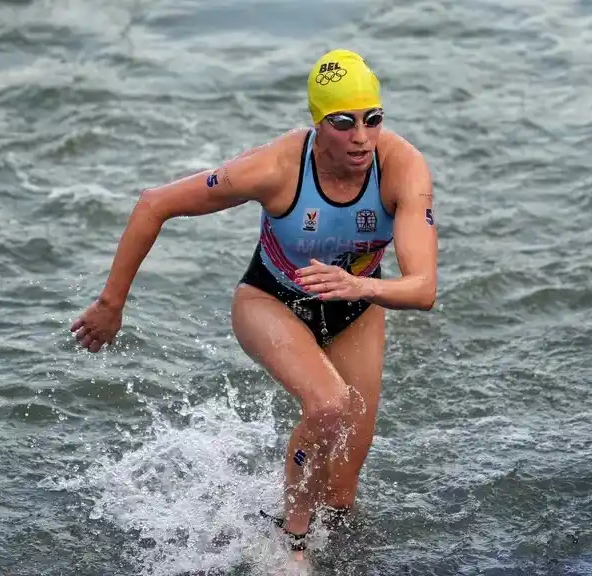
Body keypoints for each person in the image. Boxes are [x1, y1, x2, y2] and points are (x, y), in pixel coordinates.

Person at [70, 48, 438, 558]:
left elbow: (423, 289)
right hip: (271, 300)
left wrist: (361, 288)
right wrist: (111, 304)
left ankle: (320, 544)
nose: (361, 137)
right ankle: (292, 545)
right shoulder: (275, 168)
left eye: (372, 119)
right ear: (318, 123)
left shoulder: (402, 168)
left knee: (342, 495)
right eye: (343, 122)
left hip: (356, 308)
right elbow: (156, 203)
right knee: (330, 405)